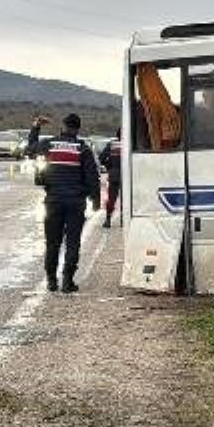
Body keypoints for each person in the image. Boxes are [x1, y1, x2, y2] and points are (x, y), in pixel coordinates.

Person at [27, 113, 101, 293]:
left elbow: (30, 149)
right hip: (76, 202)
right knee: (73, 242)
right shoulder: (83, 149)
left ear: (63, 126)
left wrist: (36, 126)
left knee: (53, 242)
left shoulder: (50, 144)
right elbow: (92, 177)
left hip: (53, 200)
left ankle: (51, 281)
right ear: (78, 129)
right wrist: (96, 200)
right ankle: (67, 281)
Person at [98, 128, 123, 229]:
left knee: (111, 198)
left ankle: (108, 220)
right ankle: (123, 220)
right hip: (128, 176)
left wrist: (110, 167)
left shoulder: (112, 144)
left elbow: (101, 158)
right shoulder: (131, 145)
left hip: (114, 174)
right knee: (127, 199)